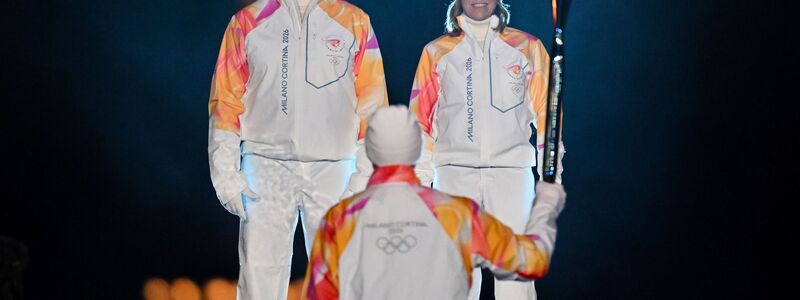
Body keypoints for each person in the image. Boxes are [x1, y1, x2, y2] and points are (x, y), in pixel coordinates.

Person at [207, 0, 388, 298]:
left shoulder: (354, 21)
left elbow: (372, 103)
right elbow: (224, 101)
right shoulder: (247, 22)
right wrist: (225, 175)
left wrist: (363, 176)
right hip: (266, 165)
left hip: (334, 168)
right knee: (259, 275)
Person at [301, 106, 566, 300]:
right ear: (418, 149)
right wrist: (546, 204)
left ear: (369, 150)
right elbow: (532, 260)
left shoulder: (340, 220)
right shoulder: (457, 215)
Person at [408, 0, 566, 299]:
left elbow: (549, 115)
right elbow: (420, 123)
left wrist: (550, 176)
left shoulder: (527, 47)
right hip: (453, 179)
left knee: (515, 279)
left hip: (512, 177)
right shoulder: (436, 52)